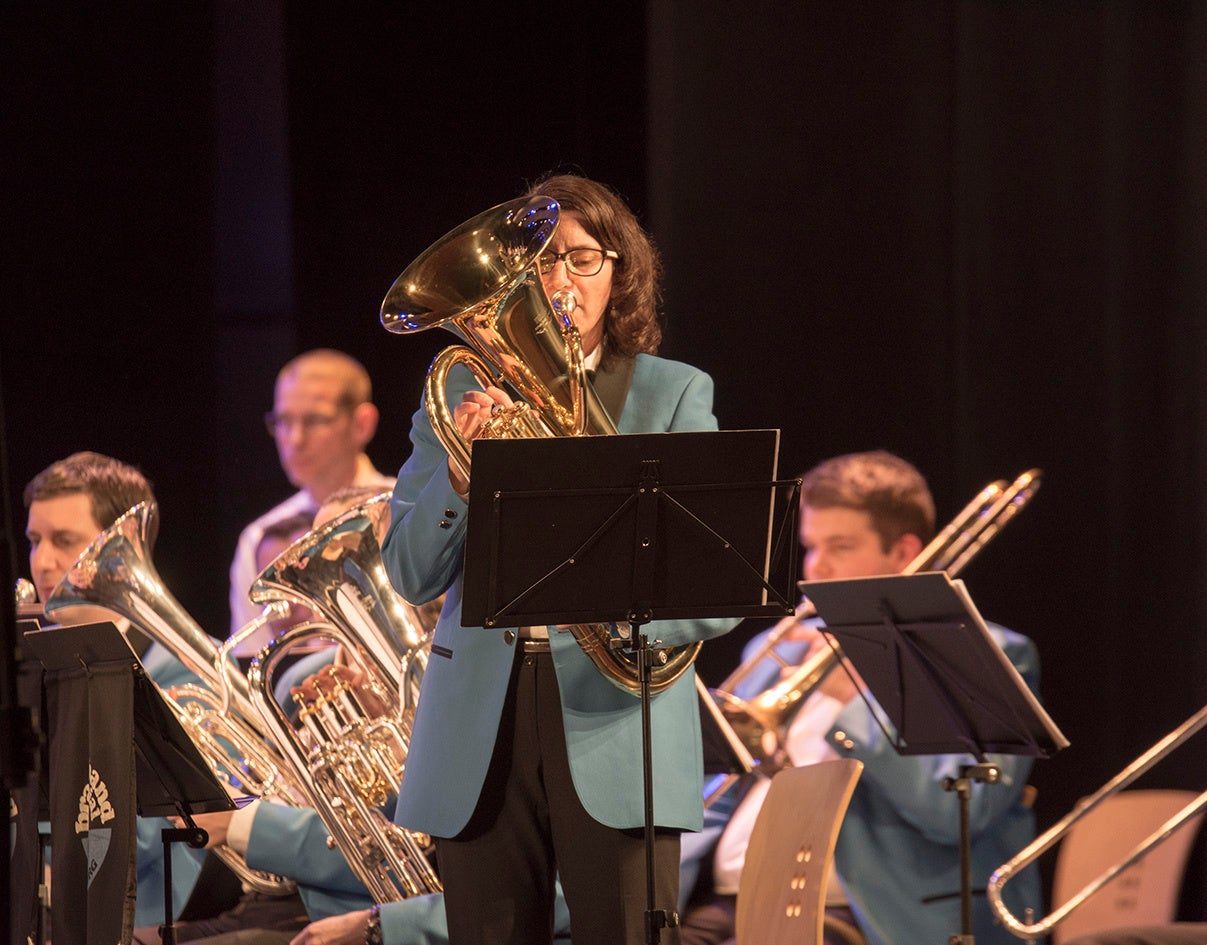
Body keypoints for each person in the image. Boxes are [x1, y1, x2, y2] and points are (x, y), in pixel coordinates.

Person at [379, 172, 736, 945]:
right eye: (539, 261)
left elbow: (719, 576)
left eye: (580, 258)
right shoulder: (458, 392)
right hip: (480, 724)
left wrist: (631, 631)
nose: (560, 281)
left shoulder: (671, 394)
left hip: (618, 716)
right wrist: (459, 477)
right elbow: (409, 571)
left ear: (620, 271)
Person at [678, 450, 1043, 945]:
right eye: (811, 546)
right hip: (729, 901)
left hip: (862, 912)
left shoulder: (987, 653)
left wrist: (854, 694)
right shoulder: (778, 649)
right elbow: (711, 796)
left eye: (841, 546)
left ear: (903, 552)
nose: (816, 567)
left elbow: (961, 812)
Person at [22, 452, 214, 928]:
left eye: (64, 541)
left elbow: (150, 829)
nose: (41, 562)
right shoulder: (29, 664)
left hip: (150, 914)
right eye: (34, 540)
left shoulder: (186, 667)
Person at [230, 348, 393, 634]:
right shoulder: (260, 538)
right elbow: (251, 656)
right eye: (283, 421)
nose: (294, 439)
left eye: (315, 420)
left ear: (362, 424)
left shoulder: (405, 509)